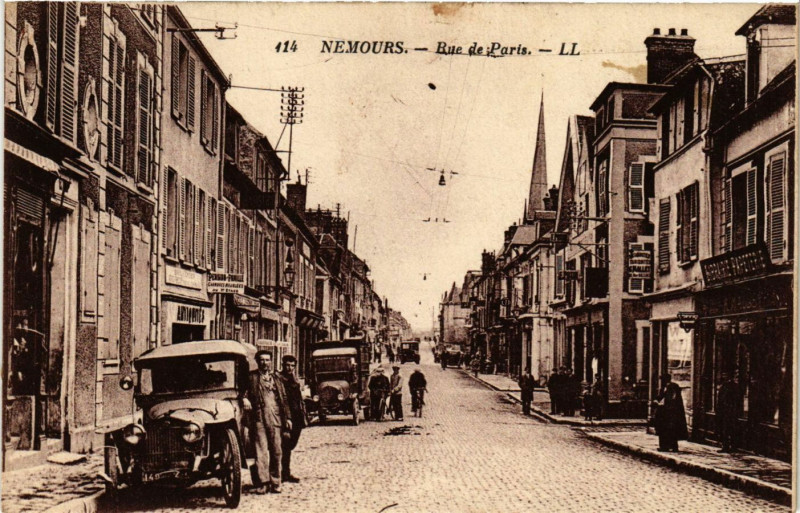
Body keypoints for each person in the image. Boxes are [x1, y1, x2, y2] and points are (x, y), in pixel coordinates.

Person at [245, 351, 291, 494]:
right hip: (259, 417)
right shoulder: (251, 377)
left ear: (271, 361)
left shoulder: (277, 378)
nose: (265, 363)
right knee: (261, 451)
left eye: (267, 360)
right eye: (262, 360)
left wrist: (288, 418)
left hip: (275, 417)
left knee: (277, 451)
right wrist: (244, 398)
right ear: (258, 362)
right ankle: (263, 483)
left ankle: (276, 481)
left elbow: (284, 399)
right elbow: (242, 391)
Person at [277, 355, 307, 484]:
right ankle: (283, 473)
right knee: (285, 445)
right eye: (287, 365)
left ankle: (285, 472)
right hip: (285, 416)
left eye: (292, 366)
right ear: (282, 365)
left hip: (297, 417)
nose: (289, 368)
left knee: (291, 444)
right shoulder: (279, 380)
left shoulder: (295, 380)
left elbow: (299, 399)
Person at [653, 374, 688, 452]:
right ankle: (666, 446)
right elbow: (661, 396)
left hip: (671, 412)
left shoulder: (673, 387)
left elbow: (673, 400)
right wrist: (656, 400)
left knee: (670, 430)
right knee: (666, 429)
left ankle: (670, 446)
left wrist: (664, 405)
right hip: (665, 412)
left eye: (662, 380)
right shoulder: (665, 388)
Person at [716, 373, 741, 453]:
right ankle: (728, 446)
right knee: (726, 429)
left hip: (729, 411)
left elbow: (735, 400)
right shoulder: (725, 386)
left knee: (728, 429)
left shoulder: (731, 386)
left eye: (725, 375)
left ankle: (731, 446)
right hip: (725, 411)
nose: (723, 376)